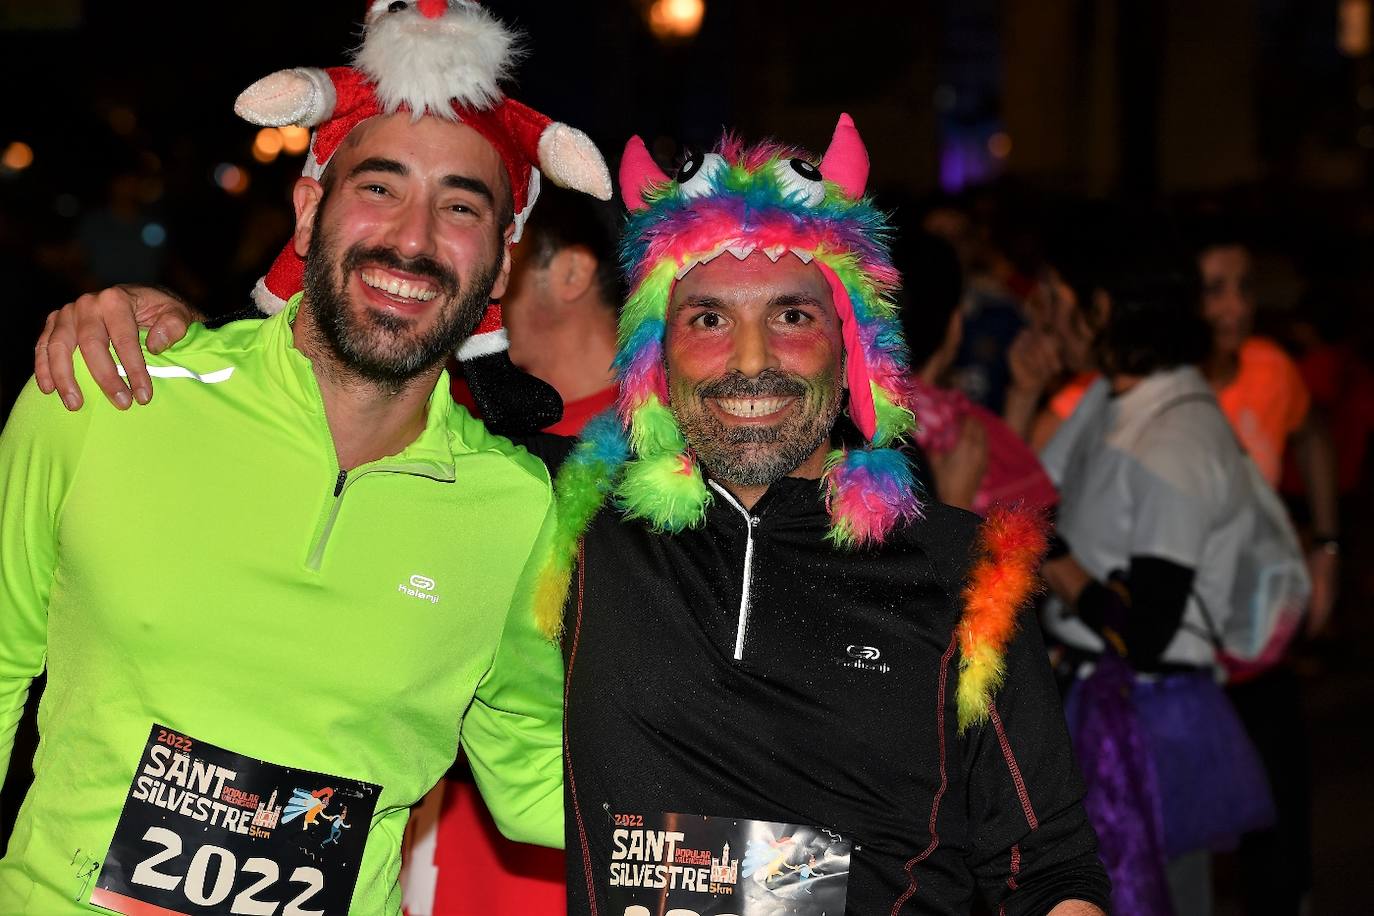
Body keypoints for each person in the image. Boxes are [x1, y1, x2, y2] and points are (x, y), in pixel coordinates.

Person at [35, 118, 1111, 915]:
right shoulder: (561, 514)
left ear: (853, 345)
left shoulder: (974, 570)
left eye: (792, 316)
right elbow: (365, 391)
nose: (749, 364)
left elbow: (1051, 866)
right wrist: (149, 322)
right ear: (656, 353)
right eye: (705, 318)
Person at [0, 3, 612, 913]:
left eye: (459, 208)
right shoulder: (107, 391)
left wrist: (792, 818)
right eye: (379, 187)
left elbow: (531, 777)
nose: (411, 238)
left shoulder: (516, 508)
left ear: (499, 265)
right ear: (308, 207)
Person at [1035, 223, 1277, 916]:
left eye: (1057, 298)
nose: (1045, 315)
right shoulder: (1110, 400)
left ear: (1103, 307)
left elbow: (1145, 629)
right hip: (1098, 701)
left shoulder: (1173, 437)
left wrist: (1054, 560)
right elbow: (1022, 489)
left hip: (1147, 723)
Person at [892, 227, 1056, 514]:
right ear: (956, 326)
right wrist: (954, 506)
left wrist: (1022, 398)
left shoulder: (834, 422)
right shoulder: (953, 430)